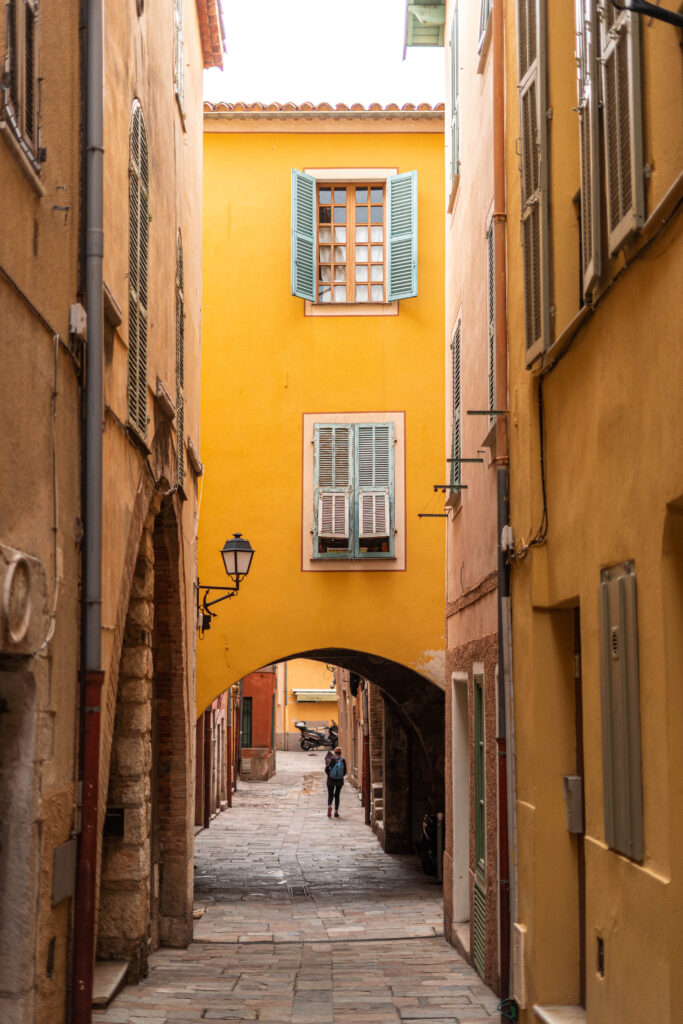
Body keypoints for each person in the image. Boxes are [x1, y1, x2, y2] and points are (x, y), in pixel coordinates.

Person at [325, 746, 346, 818]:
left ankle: (329, 806)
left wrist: (330, 775)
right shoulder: (342, 760)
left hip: (330, 780)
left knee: (330, 794)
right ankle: (336, 811)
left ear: (335, 752)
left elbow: (326, 769)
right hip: (339, 781)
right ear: (340, 753)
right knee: (337, 795)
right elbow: (344, 772)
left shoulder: (332, 759)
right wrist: (340, 776)